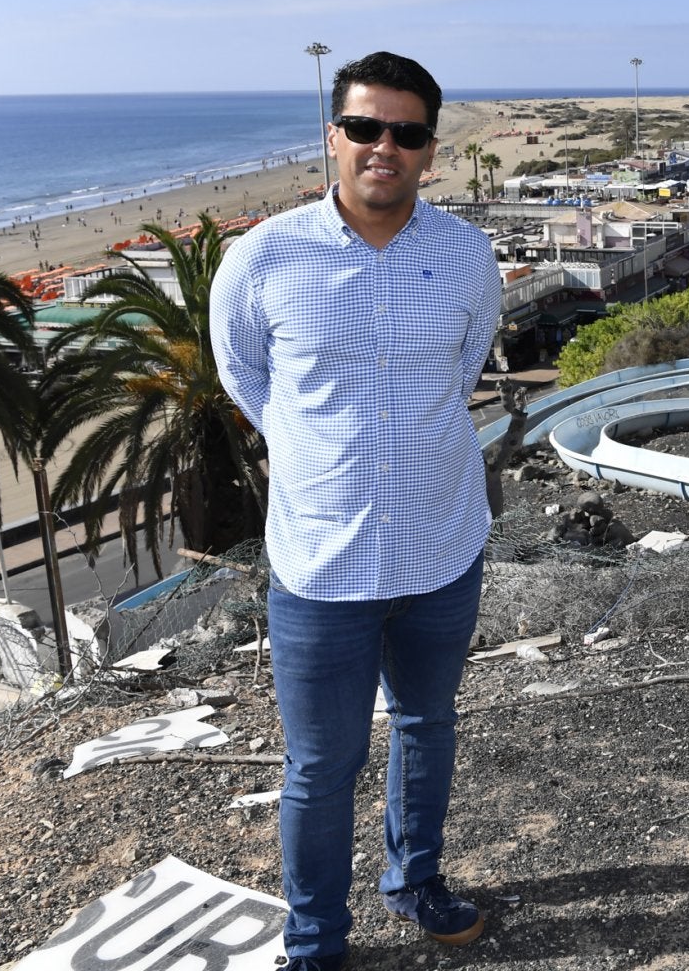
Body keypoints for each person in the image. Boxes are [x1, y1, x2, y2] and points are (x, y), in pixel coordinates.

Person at [211, 51, 503, 968]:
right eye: (367, 127)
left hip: (440, 549)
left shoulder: (468, 256)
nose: (386, 147)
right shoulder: (262, 258)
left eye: (407, 133)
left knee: (427, 726)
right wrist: (314, 450)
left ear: (430, 150)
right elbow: (245, 376)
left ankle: (415, 880)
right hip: (320, 563)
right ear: (333, 136)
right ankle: (315, 942)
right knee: (319, 767)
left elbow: (463, 371)